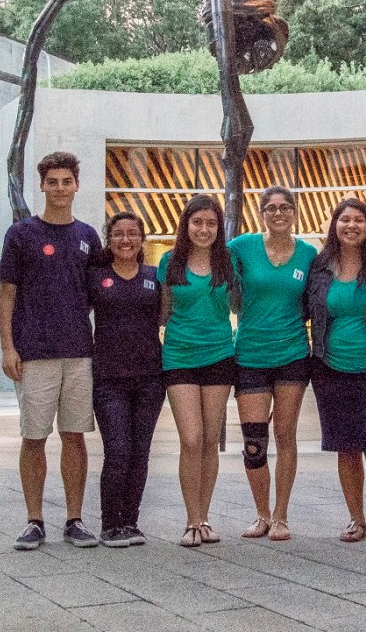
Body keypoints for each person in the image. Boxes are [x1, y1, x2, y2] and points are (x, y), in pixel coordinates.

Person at [0, 151, 102, 550]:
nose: (59, 188)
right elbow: (6, 294)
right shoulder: (21, 234)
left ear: (77, 185)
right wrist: (9, 348)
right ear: (42, 185)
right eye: (52, 182)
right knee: (33, 437)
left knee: (74, 437)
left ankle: (74, 519)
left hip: (78, 353)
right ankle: (34, 520)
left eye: (66, 181)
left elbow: (96, 295)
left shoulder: (88, 237)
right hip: (34, 353)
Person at [307, 198, 366, 549]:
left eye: (359, 220)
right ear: (334, 225)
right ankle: (356, 519)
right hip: (330, 368)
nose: (351, 226)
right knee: (345, 447)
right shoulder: (319, 268)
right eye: (344, 219)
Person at [228, 186, 317, 542]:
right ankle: (261, 514)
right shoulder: (241, 247)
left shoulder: (309, 254)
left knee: (285, 436)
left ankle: (281, 515)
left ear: (294, 212)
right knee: (254, 442)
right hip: (250, 354)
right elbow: (207, 268)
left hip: (293, 354)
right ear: (261, 213)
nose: (278, 213)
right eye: (271, 208)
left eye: (285, 207)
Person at [157, 194, 235, 547]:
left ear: (219, 228)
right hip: (179, 356)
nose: (204, 229)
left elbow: (240, 304)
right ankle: (190, 519)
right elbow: (161, 313)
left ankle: (204, 518)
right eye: (197, 222)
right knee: (190, 439)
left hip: (220, 355)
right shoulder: (169, 263)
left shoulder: (229, 263)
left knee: (208, 441)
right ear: (186, 225)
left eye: (211, 223)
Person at [87, 212, 164, 547]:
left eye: (133, 233)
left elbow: (168, 316)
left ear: (142, 239)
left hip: (150, 377)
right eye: (118, 233)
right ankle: (109, 524)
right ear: (109, 238)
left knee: (140, 451)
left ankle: (130, 522)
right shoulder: (95, 276)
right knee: (118, 449)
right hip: (108, 379)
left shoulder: (153, 276)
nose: (126, 239)